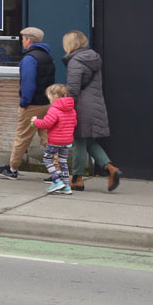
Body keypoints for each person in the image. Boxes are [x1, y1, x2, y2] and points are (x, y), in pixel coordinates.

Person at [0, 26, 54, 179]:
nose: (22, 43)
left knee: (23, 137)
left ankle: (12, 169)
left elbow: (28, 84)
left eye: (23, 40)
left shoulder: (29, 59)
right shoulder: (47, 57)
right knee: (48, 138)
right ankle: (57, 171)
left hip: (32, 105)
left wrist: (24, 102)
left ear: (29, 40)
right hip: (46, 103)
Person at [62, 29, 121, 191]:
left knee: (79, 140)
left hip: (81, 106)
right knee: (89, 141)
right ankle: (110, 168)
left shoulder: (75, 62)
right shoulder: (93, 58)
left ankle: (77, 178)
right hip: (95, 104)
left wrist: (64, 107)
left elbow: (73, 90)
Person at [30, 83, 77, 195]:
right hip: (67, 141)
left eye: (49, 97)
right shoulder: (72, 110)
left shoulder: (54, 110)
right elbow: (74, 123)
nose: (49, 100)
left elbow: (47, 124)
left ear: (54, 96)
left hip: (55, 141)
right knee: (63, 162)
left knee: (47, 159)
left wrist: (35, 122)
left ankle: (56, 180)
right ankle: (66, 186)